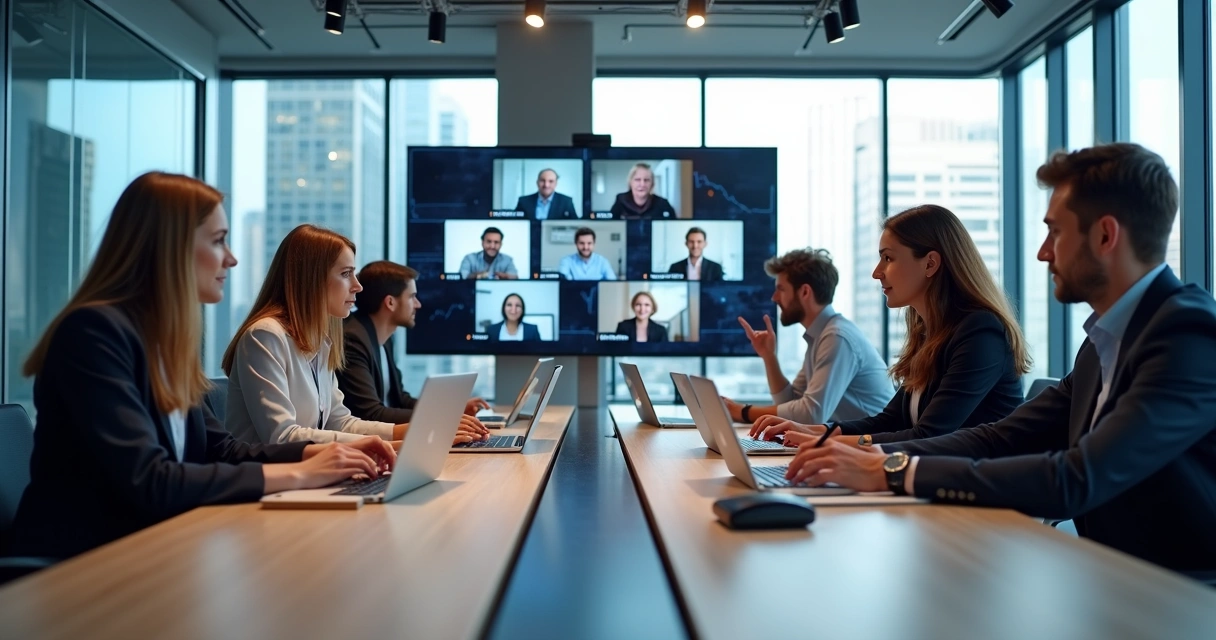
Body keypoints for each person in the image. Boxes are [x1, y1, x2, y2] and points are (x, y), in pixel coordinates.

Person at [782, 143, 1216, 574]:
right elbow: (998, 438)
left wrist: (893, 470)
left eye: (1056, 232)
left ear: (1105, 235)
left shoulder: (1186, 336)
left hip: (1184, 594)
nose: (1043, 252)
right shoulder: (1103, 341)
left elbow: (1075, 478)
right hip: (1116, 577)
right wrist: (872, 460)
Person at [6, 173, 396, 561]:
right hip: (80, 567)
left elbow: (221, 450)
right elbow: (150, 479)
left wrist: (313, 457)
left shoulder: (163, 340)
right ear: (169, 248)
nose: (232, 257)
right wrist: (301, 473)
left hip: (156, 550)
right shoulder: (93, 334)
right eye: (217, 240)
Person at [752, 206, 1029, 446]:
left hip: (979, 499)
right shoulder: (930, 333)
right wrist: (815, 431)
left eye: (888, 258)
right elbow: (891, 421)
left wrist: (824, 441)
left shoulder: (980, 332)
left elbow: (928, 436)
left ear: (930, 264)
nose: (876, 272)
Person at [223, 225, 487, 447]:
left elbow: (342, 421)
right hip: (267, 490)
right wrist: (396, 444)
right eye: (346, 274)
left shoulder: (321, 342)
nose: (357, 286)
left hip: (309, 478)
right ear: (312, 280)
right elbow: (282, 437)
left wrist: (415, 431)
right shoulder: (265, 337)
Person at [722, 249, 893, 426]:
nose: (774, 298)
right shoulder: (821, 335)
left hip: (871, 447)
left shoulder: (836, 337)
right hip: (850, 444)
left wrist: (742, 412)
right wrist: (769, 357)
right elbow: (789, 403)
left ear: (804, 292)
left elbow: (810, 414)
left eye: (781, 289)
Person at [337, 261, 490, 423]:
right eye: (412, 297)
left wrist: (451, 409)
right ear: (390, 302)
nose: (418, 304)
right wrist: (445, 418)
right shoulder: (353, 340)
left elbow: (400, 399)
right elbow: (370, 414)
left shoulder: (384, 338)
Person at [609, 163, 677, 219]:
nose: (642, 184)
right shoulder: (621, 200)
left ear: (652, 184)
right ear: (630, 182)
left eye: (646, 180)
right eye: (637, 180)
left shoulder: (663, 204)